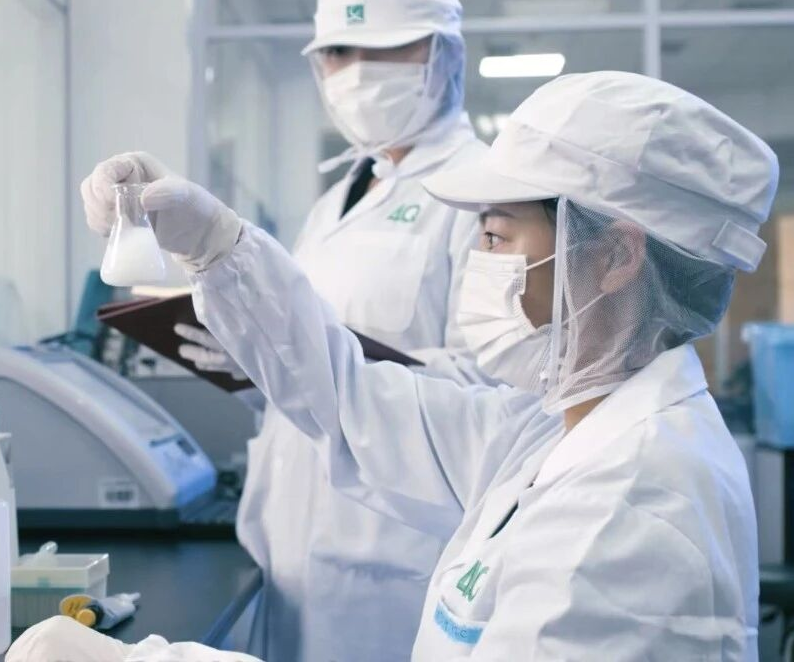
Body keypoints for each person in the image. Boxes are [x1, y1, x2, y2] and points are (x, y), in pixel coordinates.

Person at [65, 70, 776, 659]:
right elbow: (350, 399)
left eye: (495, 236)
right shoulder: (555, 431)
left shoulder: (636, 507)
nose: (480, 265)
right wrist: (217, 246)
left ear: (616, 256)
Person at [167, 1, 484, 658]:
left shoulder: (479, 194)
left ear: (444, 54)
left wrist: (316, 356)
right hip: (289, 546)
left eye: (385, 50)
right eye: (340, 53)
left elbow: (489, 392)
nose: (359, 72)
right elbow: (302, 373)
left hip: (393, 557)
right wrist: (253, 361)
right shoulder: (335, 201)